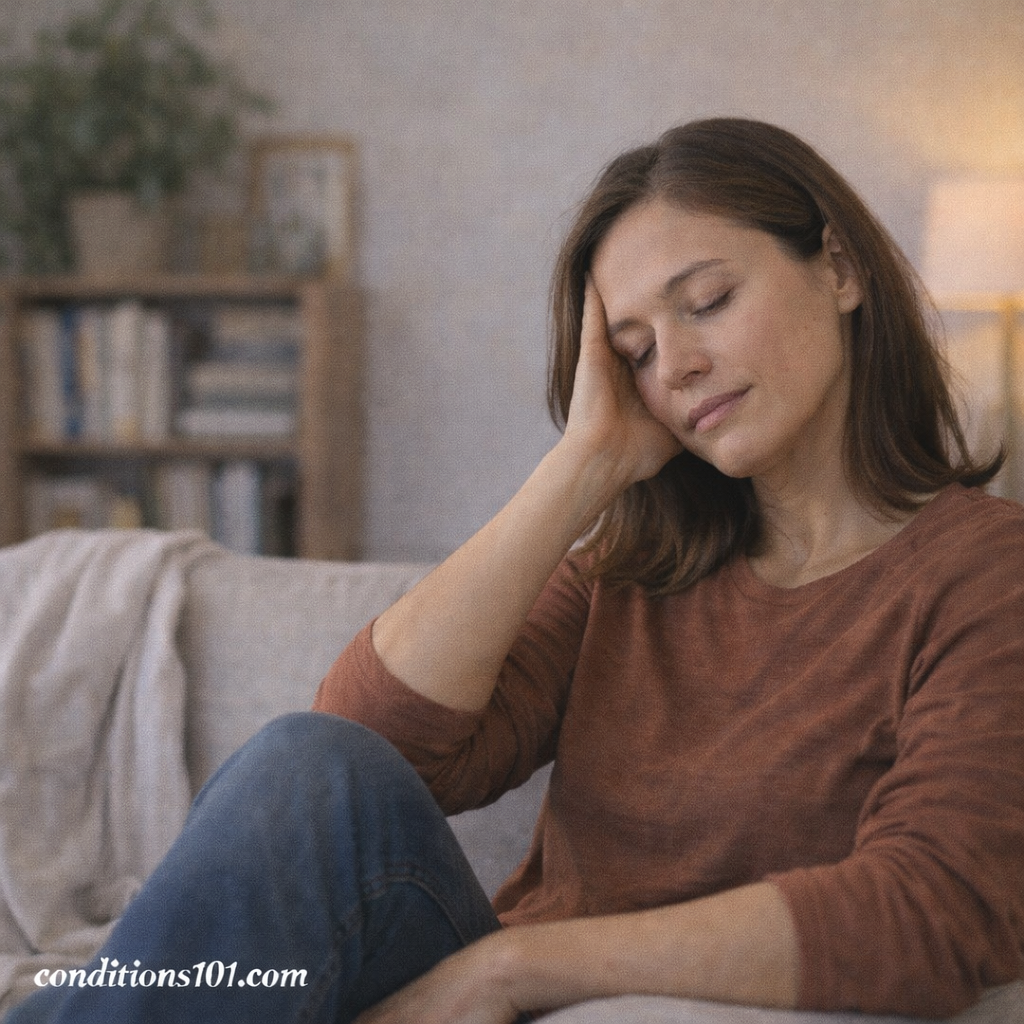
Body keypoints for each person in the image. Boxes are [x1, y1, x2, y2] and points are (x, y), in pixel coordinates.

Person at [7, 118, 1024, 1024]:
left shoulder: (984, 575)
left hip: (532, 989)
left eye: (706, 301)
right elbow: (370, 753)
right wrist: (583, 465)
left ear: (838, 267)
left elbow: (932, 909)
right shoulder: (633, 573)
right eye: (632, 350)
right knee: (311, 762)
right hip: (458, 985)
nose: (673, 366)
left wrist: (515, 965)